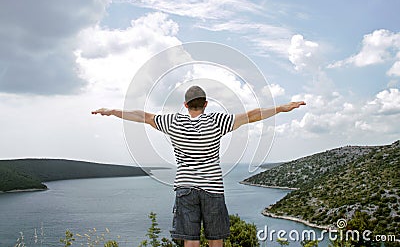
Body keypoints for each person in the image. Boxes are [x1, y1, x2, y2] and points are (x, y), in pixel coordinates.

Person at [92, 85, 305, 247]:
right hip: (213, 189)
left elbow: (143, 116)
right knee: (216, 240)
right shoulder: (217, 121)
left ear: (185, 105)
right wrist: (281, 108)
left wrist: (113, 111)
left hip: (185, 189)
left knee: (190, 241)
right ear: (205, 104)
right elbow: (252, 116)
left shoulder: (173, 122)